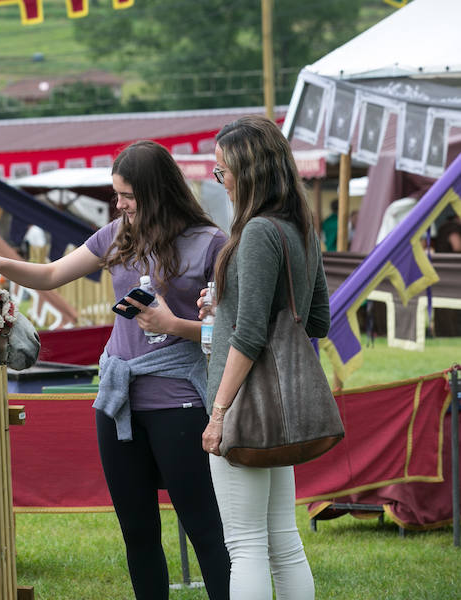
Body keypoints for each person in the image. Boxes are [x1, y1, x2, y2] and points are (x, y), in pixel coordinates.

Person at [0, 140, 230, 599]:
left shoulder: (211, 244)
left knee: (204, 529)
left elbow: (225, 332)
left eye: (127, 196)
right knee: (137, 533)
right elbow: (50, 275)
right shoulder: (118, 235)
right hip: (117, 402)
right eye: (116, 195)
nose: (119, 205)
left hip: (179, 403)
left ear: (158, 191)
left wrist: (173, 324)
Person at [201, 115, 330, 600]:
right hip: (282, 404)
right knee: (283, 541)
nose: (222, 182)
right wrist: (224, 305)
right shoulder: (299, 226)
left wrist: (218, 413)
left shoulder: (255, 233)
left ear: (249, 172)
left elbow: (250, 336)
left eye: (223, 171)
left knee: (246, 544)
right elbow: (317, 320)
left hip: (243, 404)